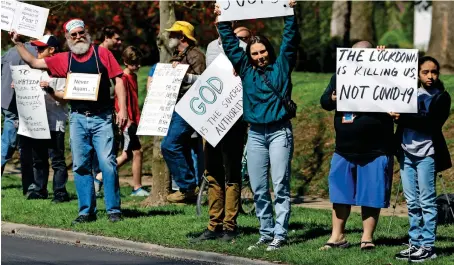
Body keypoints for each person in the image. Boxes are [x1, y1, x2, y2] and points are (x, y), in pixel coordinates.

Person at [10, 18, 128, 224]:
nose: (78, 37)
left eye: (81, 32)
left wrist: (123, 109)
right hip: (78, 118)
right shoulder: (65, 59)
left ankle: (113, 210)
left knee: (107, 164)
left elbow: (118, 80)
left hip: (102, 118)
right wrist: (18, 42)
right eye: (73, 35)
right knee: (81, 166)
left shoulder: (102, 53)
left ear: (86, 32)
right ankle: (86, 211)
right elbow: (34, 62)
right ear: (67, 38)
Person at [215, 0, 298, 251]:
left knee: (280, 184)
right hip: (255, 135)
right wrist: (222, 20)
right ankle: (265, 231)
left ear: (268, 52)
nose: (260, 56)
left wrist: (290, 13)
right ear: (249, 56)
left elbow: (290, 40)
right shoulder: (245, 69)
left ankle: (280, 234)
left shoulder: (281, 66)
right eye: (255, 53)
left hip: (279, 132)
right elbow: (230, 44)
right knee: (259, 187)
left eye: (262, 52)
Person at [319, 43, 394, 251]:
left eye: (367, 54)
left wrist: (386, 62)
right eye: (356, 54)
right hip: (344, 149)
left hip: (377, 149)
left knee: (371, 194)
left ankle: (367, 238)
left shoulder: (385, 74)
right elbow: (324, 101)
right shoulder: (340, 76)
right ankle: (337, 237)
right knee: (340, 194)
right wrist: (333, 97)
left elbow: (401, 91)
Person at [192, 19, 249, 242]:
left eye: (224, 20)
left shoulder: (243, 48)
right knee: (213, 170)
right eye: (217, 21)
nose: (220, 24)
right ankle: (213, 225)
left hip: (234, 118)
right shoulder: (211, 47)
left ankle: (230, 226)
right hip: (212, 118)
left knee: (231, 172)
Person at [393, 56, 451, 262]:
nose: (430, 76)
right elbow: (383, 83)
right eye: (425, 72)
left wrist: (403, 116)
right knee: (412, 201)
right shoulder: (408, 93)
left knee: (427, 201)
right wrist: (380, 54)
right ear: (417, 73)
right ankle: (415, 242)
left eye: (434, 72)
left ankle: (428, 245)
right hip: (405, 152)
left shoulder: (442, 97)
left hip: (427, 153)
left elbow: (431, 124)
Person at [20, 35, 70, 203]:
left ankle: (60, 193)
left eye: (41, 48)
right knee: (39, 159)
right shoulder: (34, 71)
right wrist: (20, 87)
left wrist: (49, 90)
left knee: (56, 160)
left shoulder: (61, 72)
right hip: (37, 122)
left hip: (55, 122)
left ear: (52, 50)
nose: (37, 51)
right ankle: (40, 189)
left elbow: (64, 98)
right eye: (37, 48)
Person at [160, 21, 206, 204]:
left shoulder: (196, 55)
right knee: (182, 147)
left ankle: (187, 188)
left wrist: (183, 76)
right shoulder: (176, 54)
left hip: (189, 108)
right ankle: (190, 187)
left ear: (182, 37)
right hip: (175, 106)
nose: (169, 37)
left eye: (173, 34)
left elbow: (204, 81)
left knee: (169, 145)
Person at [1, 41, 37, 192]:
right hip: (18, 106)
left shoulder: (11, 50)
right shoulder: (33, 52)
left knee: (15, 145)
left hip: (8, 102)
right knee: (11, 145)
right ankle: (29, 186)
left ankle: (29, 186)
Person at [113, 46, 149, 196]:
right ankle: (137, 187)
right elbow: (120, 102)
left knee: (127, 155)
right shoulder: (122, 78)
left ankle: (99, 178)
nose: (138, 66)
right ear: (126, 62)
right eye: (134, 63)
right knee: (137, 152)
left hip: (134, 119)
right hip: (127, 122)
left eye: (139, 63)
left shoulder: (133, 77)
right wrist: (126, 120)